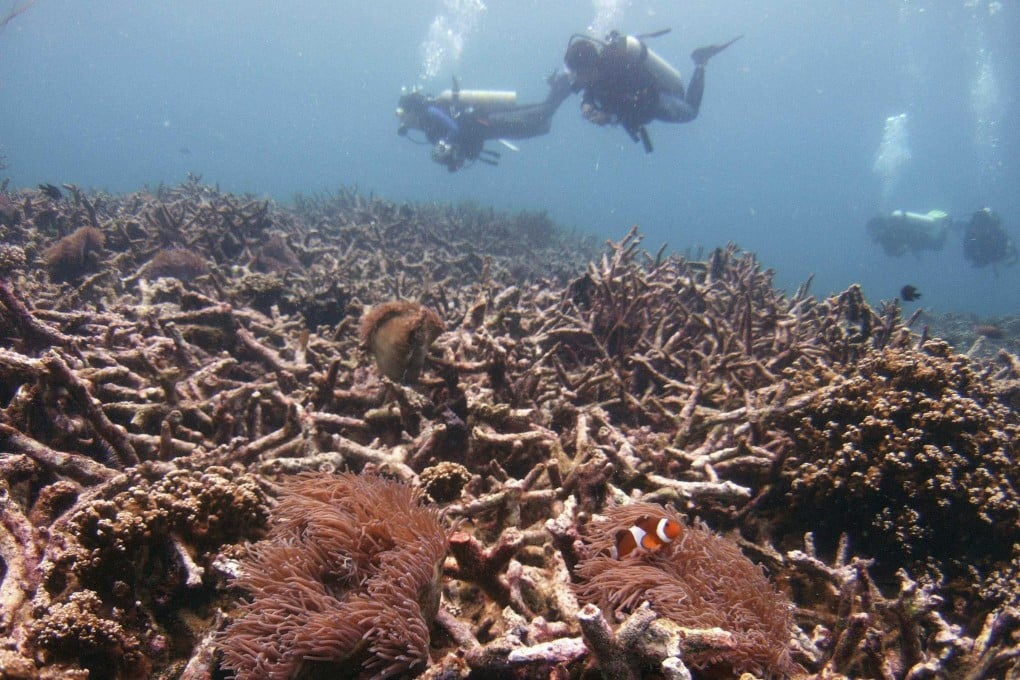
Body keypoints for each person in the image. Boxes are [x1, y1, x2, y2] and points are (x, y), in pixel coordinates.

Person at [562, 29, 741, 152]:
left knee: (691, 111)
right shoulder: (593, 76)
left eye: (578, 73)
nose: (575, 80)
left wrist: (611, 117)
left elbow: (649, 96)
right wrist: (586, 105)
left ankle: (700, 62)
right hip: (640, 106)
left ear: (589, 67)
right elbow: (589, 93)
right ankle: (699, 63)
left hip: (656, 101)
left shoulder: (619, 64)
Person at [396, 72, 573, 172]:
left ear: (412, 110)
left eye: (405, 116)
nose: (407, 122)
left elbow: (455, 129)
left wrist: (445, 143)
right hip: (490, 130)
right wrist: (452, 159)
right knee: (539, 123)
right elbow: (459, 144)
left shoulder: (430, 111)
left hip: (488, 122)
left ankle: (565, 81)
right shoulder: (427, 126)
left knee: (540, 115)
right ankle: (559, 86)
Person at [866, 209, 950, 257]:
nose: (872, 234)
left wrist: (904, 248)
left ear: (878, 228)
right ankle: (942, 223)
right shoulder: (886, 235)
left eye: (873, 231)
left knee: (938, 246)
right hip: (918, 239)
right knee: (937, 244)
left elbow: (894, 251)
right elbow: (892, 252)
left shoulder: (889, 233)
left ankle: (946, 224)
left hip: (919, 237)